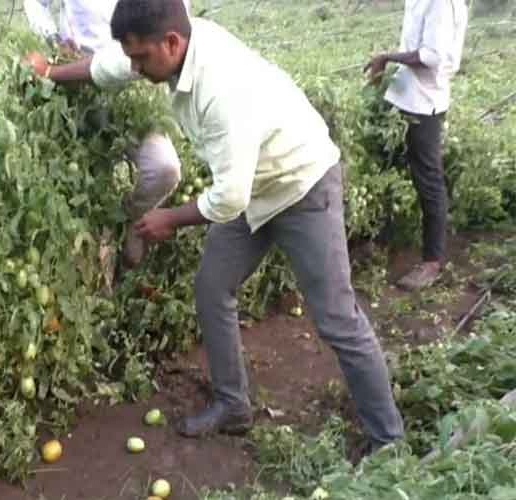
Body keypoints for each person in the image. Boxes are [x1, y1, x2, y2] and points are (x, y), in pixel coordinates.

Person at [92, 0, 405, 450]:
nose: (136, 67)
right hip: (253, 187)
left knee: (337, 318)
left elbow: (228, 197)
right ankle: (233, 405)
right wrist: (50, 73)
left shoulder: (220, 88)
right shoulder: (167, 45)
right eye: (133, 57)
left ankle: (388, 440)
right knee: (212, 288)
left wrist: (170, 219)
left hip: (301, 185)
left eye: (141, 58)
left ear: (171, 43)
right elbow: (109, 66)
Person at [23, 0, 186, 269]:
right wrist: (54, 39)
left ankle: (129, 221)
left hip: (136, 84)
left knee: (164, 167)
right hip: (73, 78)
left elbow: (177, 23)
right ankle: (90, 255)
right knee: (82, 178)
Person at [365, 0, 469, 291]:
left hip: (425, 103)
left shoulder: (441, 3)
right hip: (402, 95)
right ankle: (382, 239)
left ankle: (432, 261)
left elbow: (432, 56)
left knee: (428, 179)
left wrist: (387, 57)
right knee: (386, 168)